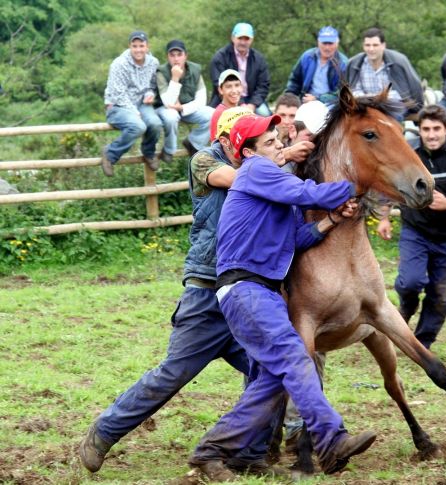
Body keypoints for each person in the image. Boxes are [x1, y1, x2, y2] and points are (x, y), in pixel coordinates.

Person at [79, 108, 268, 478]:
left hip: (242, 293)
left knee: (269, 369)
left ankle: (249, 453)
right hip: (206, 293)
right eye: (249, 140)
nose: (252, 147)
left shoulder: (257, 168)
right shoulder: (206, 161)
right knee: (173, 374)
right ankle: (103, 431)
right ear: (231, 140)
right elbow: (236, 180)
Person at [188, 114, 376, 477]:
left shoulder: (276, 186)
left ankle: (211, 451)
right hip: (246, 289)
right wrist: (356, 182)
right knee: (295, 356)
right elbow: (309, 193)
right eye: (271, 142)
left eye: (278, 139)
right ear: (248, 152)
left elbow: (296, 240)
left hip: (262, 291)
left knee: (274, 380)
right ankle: (331, 439)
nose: (279, 147)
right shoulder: (255, 170)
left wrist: (331, 220)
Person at [377, 105, 446, 349]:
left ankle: (421, 344)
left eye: (437, 129)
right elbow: (388, 184)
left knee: (440, 297)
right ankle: (407, 304)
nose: (431, 134)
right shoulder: (407, 151)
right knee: (410, 282)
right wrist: (384, 217)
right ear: (419, 131)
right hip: (416, 230)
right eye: (426, 129)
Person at [101, 30, 162, 177]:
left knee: (155, 123)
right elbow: (117, 94)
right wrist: (134, 111)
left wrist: (150, 94)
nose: (138, 49)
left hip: (141, 103)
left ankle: (148, 153)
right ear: (129, 46)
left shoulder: (153, 63)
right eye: (134, 46)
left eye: (141, 46)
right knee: (138, 126)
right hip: (118, 105)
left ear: (147, 47)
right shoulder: (119, 64)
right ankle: (110, 153)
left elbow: (153, 85)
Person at [344, 27, 423, 119]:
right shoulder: (355, 63)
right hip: (364, 104)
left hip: (392, 105)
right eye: (367, 45)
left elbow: (406, 90)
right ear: (363, 46)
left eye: (375, 45)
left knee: (390, 118)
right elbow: (354, 90)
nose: (371, 49)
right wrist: (367, 99)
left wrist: (379, 98)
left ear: (383, 45)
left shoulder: (398, 61)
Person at [155, 39, 214, 161]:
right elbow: (169, 102)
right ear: (168, 57)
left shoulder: (195, 70)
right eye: (172, 55)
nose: (176, 59)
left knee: (213, 114)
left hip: (186, 109)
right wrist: (175, 78)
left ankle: (194, 143)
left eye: (179, 55)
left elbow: (201, 99)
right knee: (171, 117)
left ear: (185, 56)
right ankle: (168, 150)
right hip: (165, 109)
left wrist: (183, 108)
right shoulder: (161, 72)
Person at [209, 22, 271, 115]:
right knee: (214, 117)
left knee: (265, 115)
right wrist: (241, 104)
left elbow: (263, 85)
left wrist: (252, 105)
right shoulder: (220, 57)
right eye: (240, 38)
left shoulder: (259, 59)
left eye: (246, 39)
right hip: (226, 98)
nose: (243, 42)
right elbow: (218, 83)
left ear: (252, 39)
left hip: (253, 100)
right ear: (233, 38)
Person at [285, 26, 348, 105]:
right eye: (324, 43)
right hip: (305, 101)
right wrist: (289, 97)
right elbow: (295, 81)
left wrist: (318, 99)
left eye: (330, 43)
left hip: (331, 105)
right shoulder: (307, 57)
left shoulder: (343, 63)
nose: (327, 47)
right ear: (318, 42)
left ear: (337, 43)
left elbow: (342, 93)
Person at [209, 69, 244, 141]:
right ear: (220, 90)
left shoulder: (242, 110)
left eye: (237, 85)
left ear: (242, 87)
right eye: (228, 86)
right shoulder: (220, 114)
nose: (234, 91)